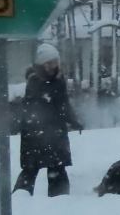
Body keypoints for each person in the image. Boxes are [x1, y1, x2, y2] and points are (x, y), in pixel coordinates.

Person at [14, 43, 82, 197]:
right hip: (35, 134)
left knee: (57, 169)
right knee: (30, 170)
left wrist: (73, 120)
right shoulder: (35, 81)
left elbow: (63, 104)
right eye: (50, 62)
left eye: (55, 61)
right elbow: (34, 107)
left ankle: (60, 203)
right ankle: (19, 202)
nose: (54, 66)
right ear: (43, 63)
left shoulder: (58, 80)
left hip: (54, 133)